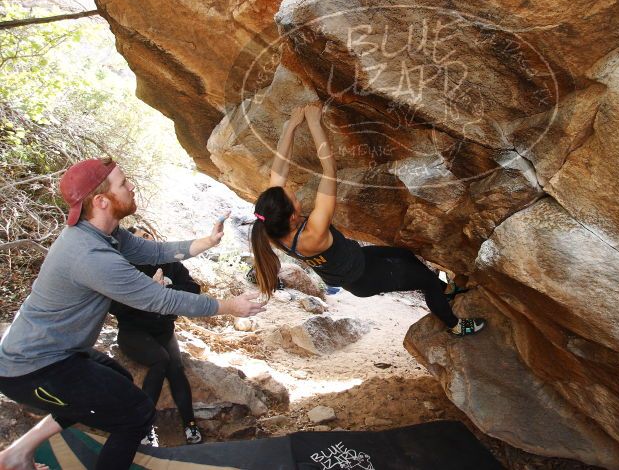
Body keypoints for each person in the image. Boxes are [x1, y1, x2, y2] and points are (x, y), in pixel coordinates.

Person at [0, 158, 266, 470]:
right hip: (33, 368)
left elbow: (154, 252)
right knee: (135, 414)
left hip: (60, 354)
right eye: (123, 183)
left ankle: (17, 453)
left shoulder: (106, 234)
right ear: (101, 201)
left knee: (119, 381)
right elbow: (160, 300)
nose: (131, 186)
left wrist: (206, 242)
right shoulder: (91, 255)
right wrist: (228, 306)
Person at [250, 103, 486, 337]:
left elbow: (278, 171)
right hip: (365, 278)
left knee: (404, 255)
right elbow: (329, 169)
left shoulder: (271, 225)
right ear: (292, 215)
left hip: (356, 262)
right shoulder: (314, 231)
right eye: (294, 197)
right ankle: (454, 324)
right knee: (428, 282)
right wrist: (314, 123)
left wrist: (291, 125)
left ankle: (447, 290)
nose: (291, 190)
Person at [108, 225, 204, 446]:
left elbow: (194, 290)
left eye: (147, 235)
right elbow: (115, 307)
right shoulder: (125, 267)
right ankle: (145, 427)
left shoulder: (170, 263)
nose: (145, 239)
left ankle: (190, 425)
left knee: (176, 370)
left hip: (163, 329)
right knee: (160, 360)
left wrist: (167, 289)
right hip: (134, 331)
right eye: (138, 238)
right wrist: (147, 291)